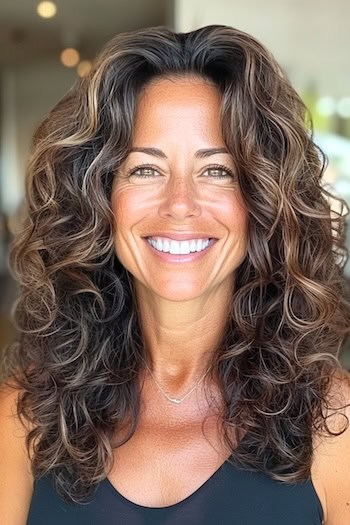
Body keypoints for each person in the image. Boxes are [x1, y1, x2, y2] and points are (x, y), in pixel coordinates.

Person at [1, 24, 350, 525]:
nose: (180, 205)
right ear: (101, 198)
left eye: (217, 170)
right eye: (145, 169)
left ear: (263, 201)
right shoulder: (24, 416)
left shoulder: (335, 423)